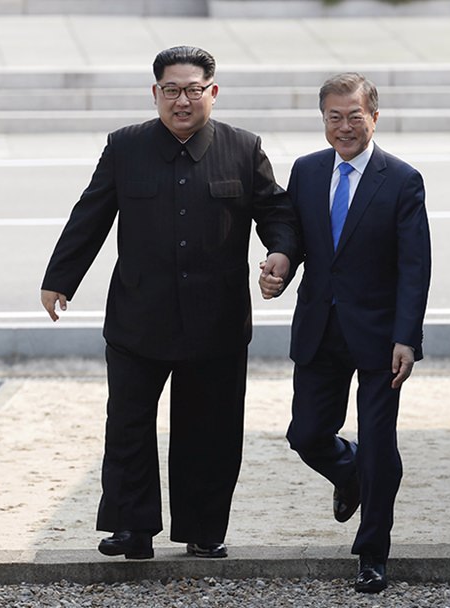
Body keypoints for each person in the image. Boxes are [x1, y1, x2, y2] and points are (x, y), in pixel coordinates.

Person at [41, 46, 299, 561]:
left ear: (212, 92)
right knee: (129, 425)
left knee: (211, 429)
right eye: (172, 90)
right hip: (139, 315)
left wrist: (282, 254)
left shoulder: (243, 149)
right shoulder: (125, 147)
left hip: (218, 320)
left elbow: (278, 212)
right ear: (155, 93)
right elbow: (90, 215)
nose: (183, 100)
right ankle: (132, 530)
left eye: (193, 90)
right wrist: (60, 279)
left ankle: (203, 530)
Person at [260, 72, 431, 592]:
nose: (345, 126)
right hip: (319, 326)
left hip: (381, 336)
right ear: (324, 121)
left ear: (374, 117)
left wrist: (407, 337)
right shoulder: (308, 171)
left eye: (355, 115)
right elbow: (294, 231)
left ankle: (372, 552)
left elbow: (415, 266)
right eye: (334, 116)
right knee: (306, 433)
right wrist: (280, 261)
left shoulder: (401, 179)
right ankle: (348, 473)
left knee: (379, 443)